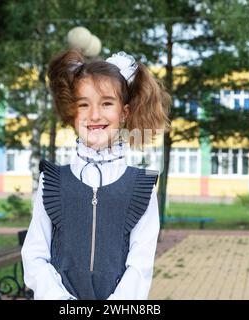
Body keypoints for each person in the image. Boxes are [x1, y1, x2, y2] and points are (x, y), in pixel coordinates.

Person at [21, 48, 170, 300]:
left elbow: (140, 265)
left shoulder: (141, 188)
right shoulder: (53, 181)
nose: (94, 115)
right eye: (84, 104)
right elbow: (34, 255)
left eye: (106, 103)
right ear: (72, 111)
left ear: (124, 112)